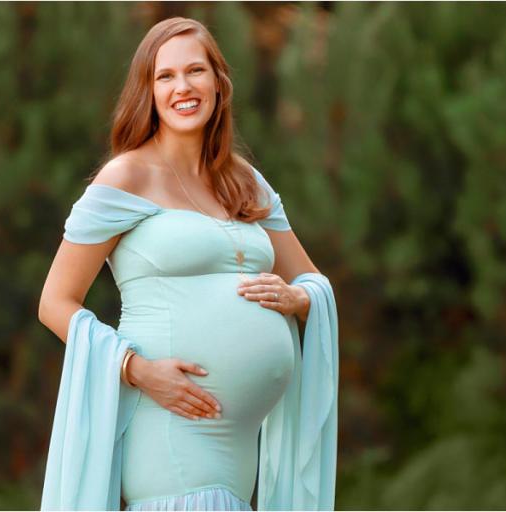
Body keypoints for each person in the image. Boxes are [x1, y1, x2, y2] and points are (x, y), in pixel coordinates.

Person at [38, 16, 339, 512]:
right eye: (165, 76)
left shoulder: (246, 182)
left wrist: (299, 296)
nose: (183, 87)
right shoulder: (125, 177)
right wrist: (136, 369)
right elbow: (54, 303)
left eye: (195, 71)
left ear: (220, 83)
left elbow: (311, 280)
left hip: (239, 449)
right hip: (172, 431)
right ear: (148, 92)